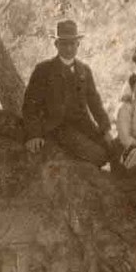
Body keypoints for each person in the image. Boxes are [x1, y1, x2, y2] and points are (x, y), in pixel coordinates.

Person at [22, 19, 112, 167]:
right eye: (64, 44)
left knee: (112, 148)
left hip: (84, 126)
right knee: (98, 156)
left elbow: (95, 102)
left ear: (78, 44)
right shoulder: (43, 70)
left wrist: (105, 128)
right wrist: (34, 134)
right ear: (56, 45)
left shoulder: (84, 70)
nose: (69, 48)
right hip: (58, 128)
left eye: (72, 43)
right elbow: (29, 106)